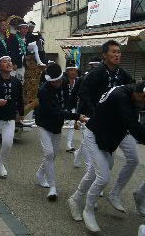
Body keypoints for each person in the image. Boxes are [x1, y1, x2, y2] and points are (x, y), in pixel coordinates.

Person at [68, 82, 145, 233]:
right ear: (137, 93)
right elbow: (133, 126)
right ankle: (88, 210)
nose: (143, 103)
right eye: (143, 99)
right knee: (103, 177)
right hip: (94, 135)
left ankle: (75, 199)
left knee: (95, 173)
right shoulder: (121, 97)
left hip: (108, 139)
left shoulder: (131, 94)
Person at [77, 40, 137, 212]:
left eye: (119, 52)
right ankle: (86, 197)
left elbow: (132, 89)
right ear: (105, 55)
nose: (117, 54)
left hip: (120, 124)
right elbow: (83, 93)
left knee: (134, 159)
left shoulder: (122, 74)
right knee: (101, 168)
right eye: (113, 52)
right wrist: (95, 111)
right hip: (100, 125)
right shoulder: (96, 73)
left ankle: (115, 193)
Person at [35, 63, 87, 201]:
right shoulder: (43, 91)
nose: (58, 83)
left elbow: (68, 101)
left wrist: (72, 112)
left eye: (59, 80)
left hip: (57, 125)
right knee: (49, 153)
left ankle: (40, 174)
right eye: (54, 81)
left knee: (52, 155)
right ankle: (53, 187)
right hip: (44, 124)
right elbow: (54, 112)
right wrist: (76, 116)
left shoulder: (63, 83)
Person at [0, 55, 24, 177]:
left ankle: (1, 164)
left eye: (10, 61)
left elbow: (20, 99)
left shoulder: (16, 82)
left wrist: (21, 113)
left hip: (10, 118)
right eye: (5, 62)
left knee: (8, 143)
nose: (9, 63)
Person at [62, 59, 82, 153]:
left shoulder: (78, 81)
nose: (73, 72)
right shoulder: (62, 81)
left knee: (71, 126)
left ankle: (68, 145)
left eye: (75, 70)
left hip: (73, 106)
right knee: (59, 124)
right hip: (62, 106)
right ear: (67, 71)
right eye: (71, 70)